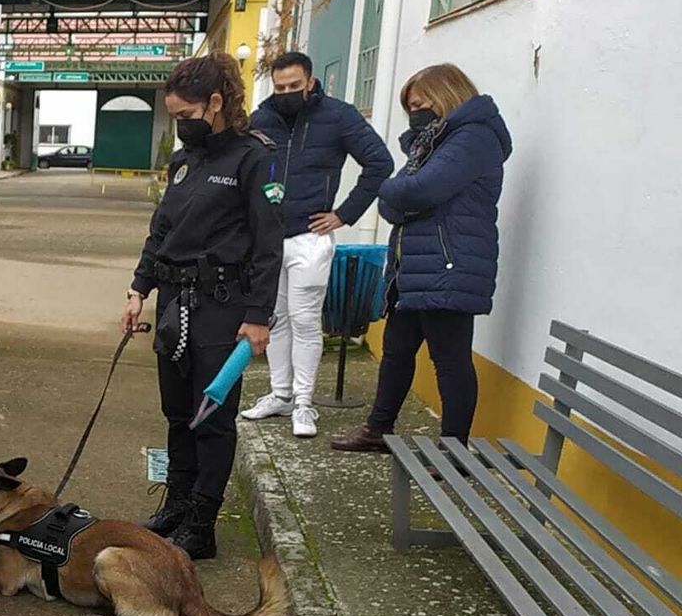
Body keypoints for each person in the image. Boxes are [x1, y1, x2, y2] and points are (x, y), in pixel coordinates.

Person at [122, 53, 283, 560]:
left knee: (210, 417)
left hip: (223, 304)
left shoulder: (255, 157)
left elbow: (268, 244)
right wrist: (139, 287)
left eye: (187, 116)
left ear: (216, 102)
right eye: (175, 118)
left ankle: (201, 523)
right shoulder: (184, 161)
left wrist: (259, 316)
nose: (181, 126)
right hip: (174, 302)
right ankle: (176, 503)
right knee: (176, 413)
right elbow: (162, 229)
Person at [331, 64, 511, 453]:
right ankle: (378, 430)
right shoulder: (431, 145)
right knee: (396, 352)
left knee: (450, 361)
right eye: (410, 105)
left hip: (450, 265)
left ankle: (453, 450)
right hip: (415, 266)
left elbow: (416, 192)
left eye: (421, 101)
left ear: (446, 93)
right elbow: (396, 205)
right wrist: (399, 193)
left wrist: (396, 191)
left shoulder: (472, 138)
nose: (416, 111)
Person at [242, 51, 394, 438]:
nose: (287, 93)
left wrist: (344, 214)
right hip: (267, 238)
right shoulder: (261, 119)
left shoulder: (339, 116)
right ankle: (280, 394)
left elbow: (380, 163)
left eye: (295, 86)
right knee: (273, 317)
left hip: (311, 236)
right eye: (280, 87)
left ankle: (305, 403)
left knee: (306, 320)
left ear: (310, 82)